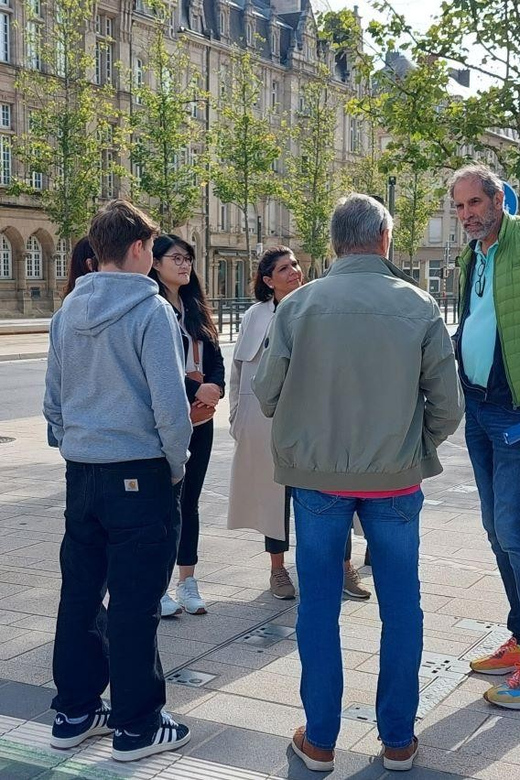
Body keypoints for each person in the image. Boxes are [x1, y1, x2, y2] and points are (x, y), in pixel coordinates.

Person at [253, 194, 464, 772]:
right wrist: (413, 448)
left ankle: (320, 740)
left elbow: (266, 393)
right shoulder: (418, 305)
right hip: (394, 481)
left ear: (334, 243)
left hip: (317, 480)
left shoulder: (299, 306)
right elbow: (447, 407)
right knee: (402, 607)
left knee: (317, 607)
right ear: (385, 238)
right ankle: (398, 739)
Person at [43, 200, 193, 763]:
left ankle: (75, 711)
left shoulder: (66, 313)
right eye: (152, 249)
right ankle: (137, 725)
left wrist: (75, 446)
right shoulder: (151, 312)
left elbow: (52, 400)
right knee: (135, 601)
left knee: (79, 593)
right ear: (137, 249)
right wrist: (172, 464)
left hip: (83, 474)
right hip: (139, 472)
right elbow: (170, 406)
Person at [228, 247, 370, 600]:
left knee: (336, 493)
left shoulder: (319, 305)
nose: (294, 271)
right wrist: (235, 416)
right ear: (267, 280)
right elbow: (238, 371)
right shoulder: (255, 316)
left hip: (317, 421)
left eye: (294, 264)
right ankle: (278, 571)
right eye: (283, 268)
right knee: (272, 498)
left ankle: (343, 566)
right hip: (266, 421)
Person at [450, 164, 520, 709]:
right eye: (459, 207)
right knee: (498, 535)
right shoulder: (470, 256)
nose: (467, 214)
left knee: (516, 533)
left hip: (515, 414)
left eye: (475, 203)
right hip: (479, 409)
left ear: (498, 199)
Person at [150, 235, 225, 617]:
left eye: (188, 259)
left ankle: (187, 580)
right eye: (176, 258)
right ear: (155, 262)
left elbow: (216, 359)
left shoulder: (195, 308)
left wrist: (214, 390)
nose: (184, 265)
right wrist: (199, 389)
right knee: (165, 502)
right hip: (169, 417)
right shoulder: (152, 308)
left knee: (190, 501)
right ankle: (159, 585)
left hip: (202, 417)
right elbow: (159, 371)